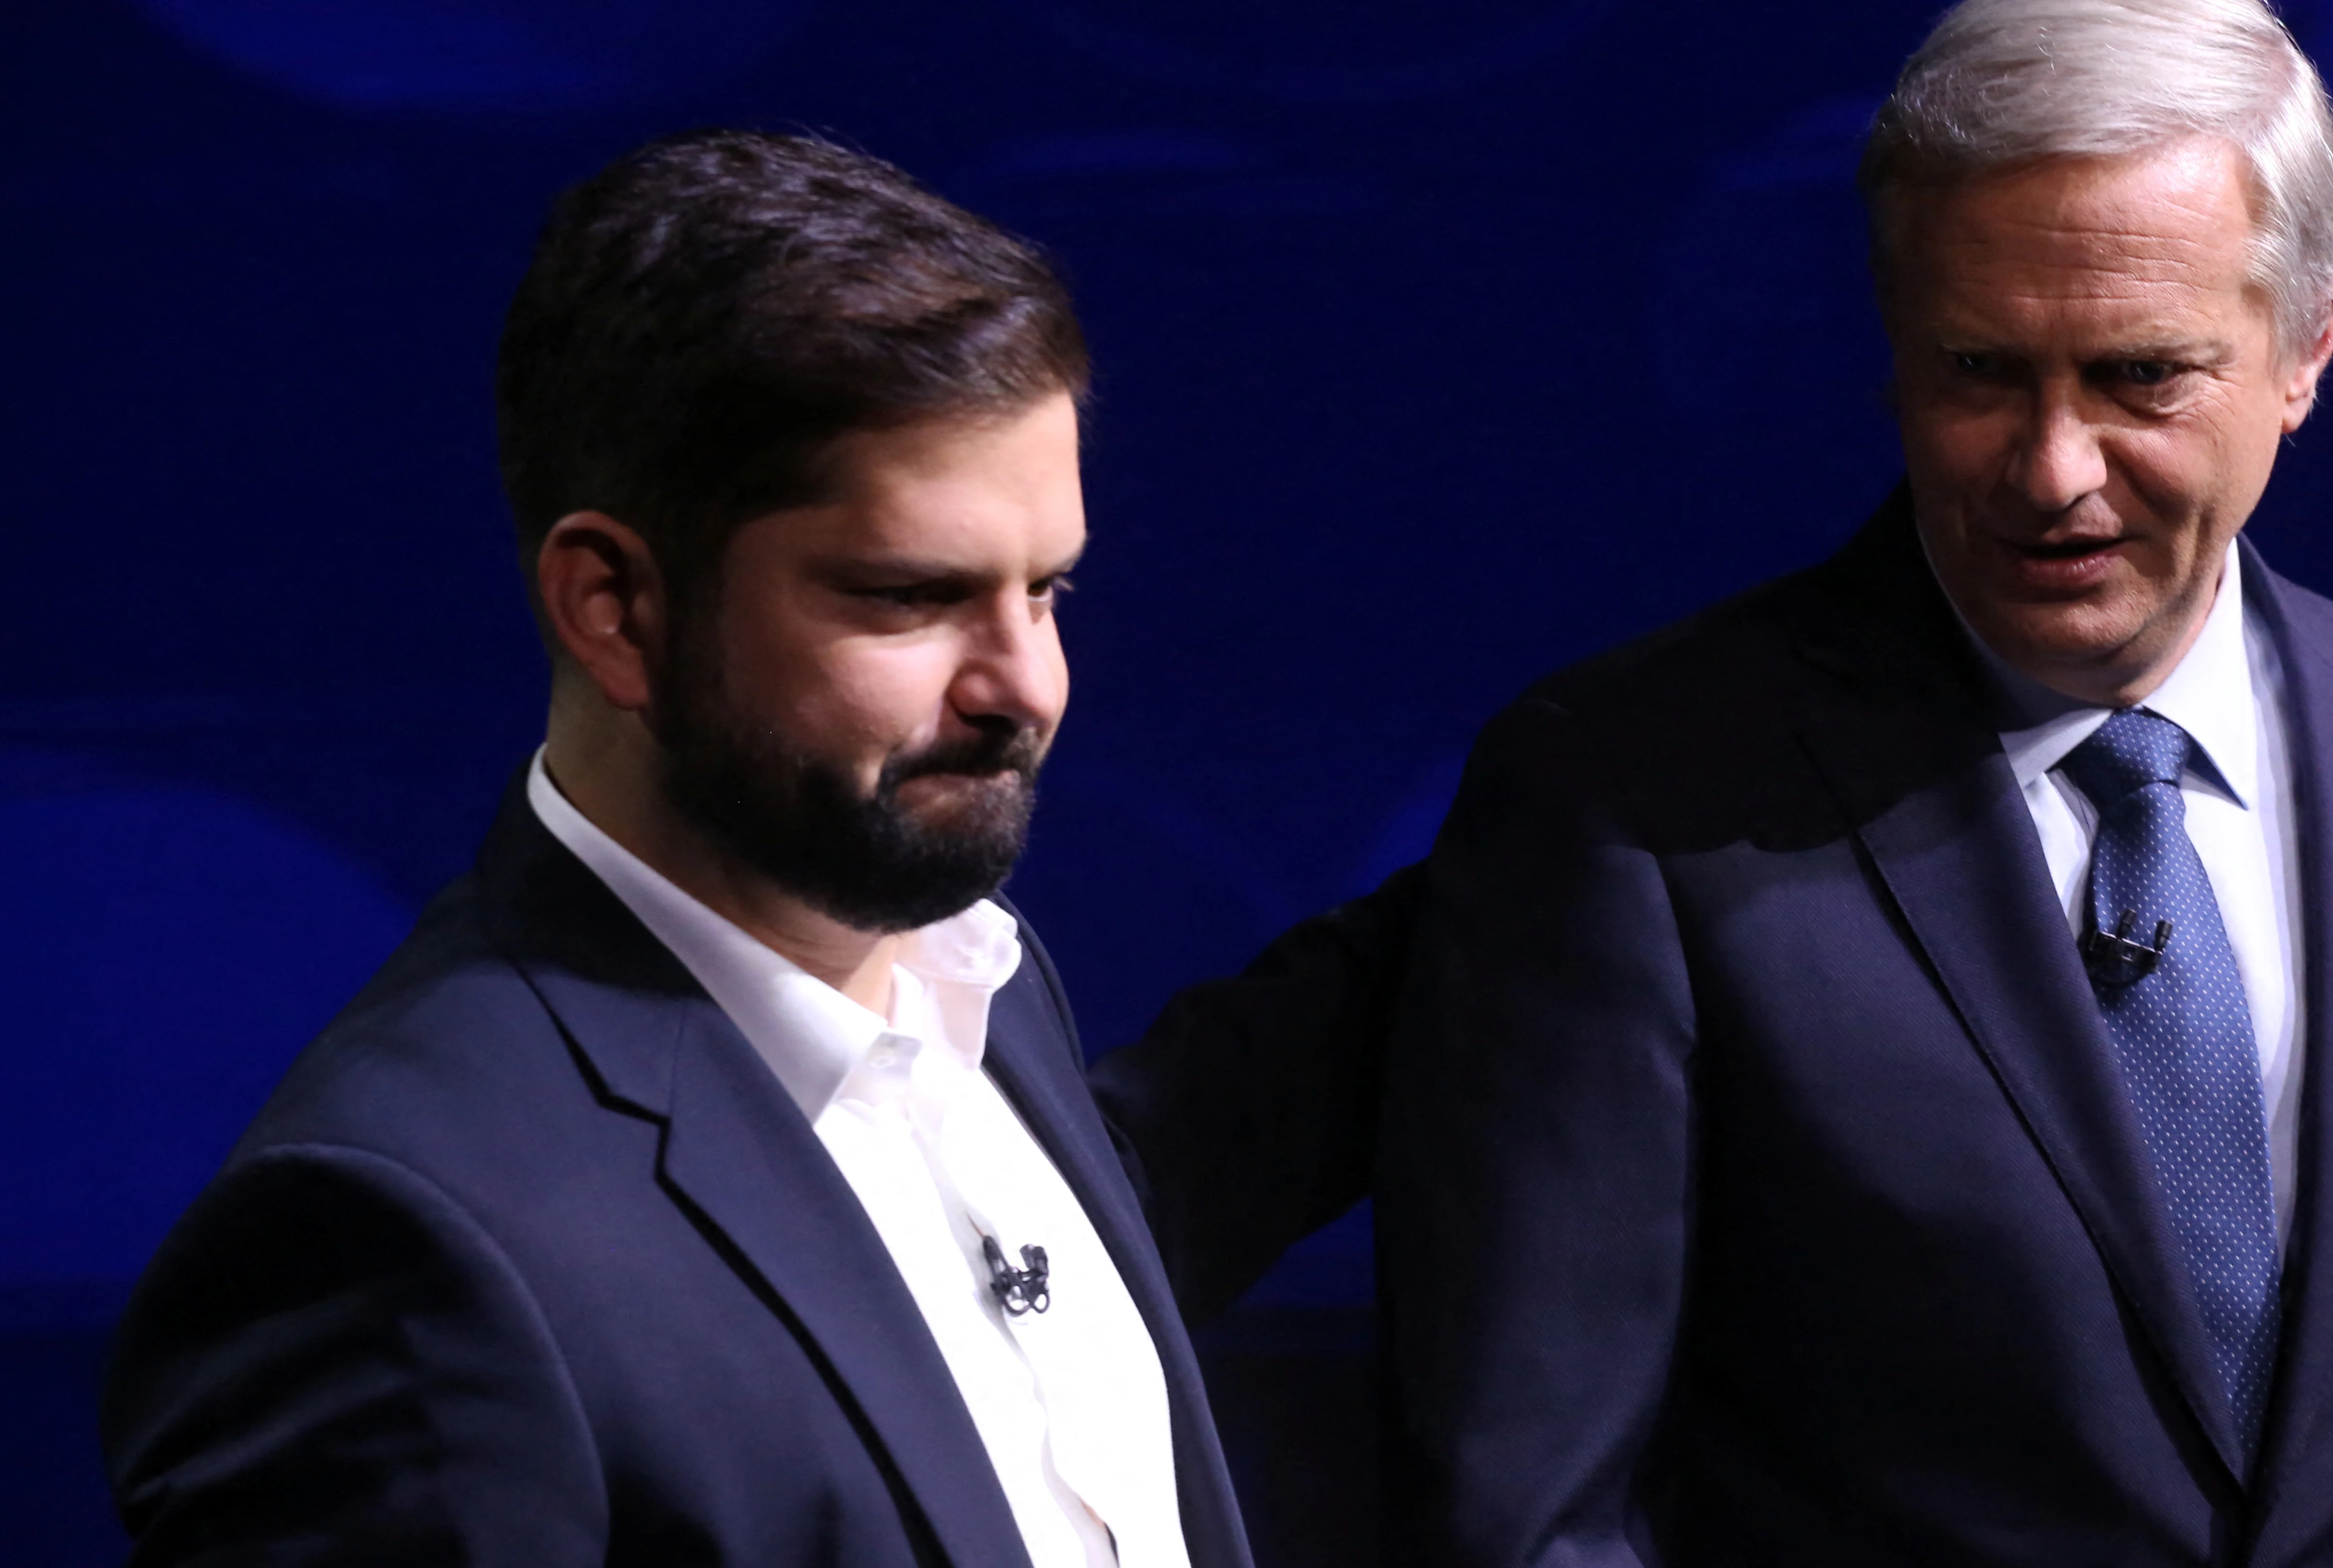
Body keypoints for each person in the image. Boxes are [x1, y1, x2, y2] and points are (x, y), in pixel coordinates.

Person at [1376, 0, 2333, 1561]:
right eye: (1979, 370)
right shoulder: (1629, 794)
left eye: (2141, 375)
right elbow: (1529, 1511)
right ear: (1891, 338)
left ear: (2310, 345)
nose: (2052, 470)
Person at [100, 129, 1402, 1567]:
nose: (1026, 684)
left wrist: (1599, 826)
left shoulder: (970, 979)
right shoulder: (394, 1241)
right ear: (614, 609)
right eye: (913, 597)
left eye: (1052, 589)